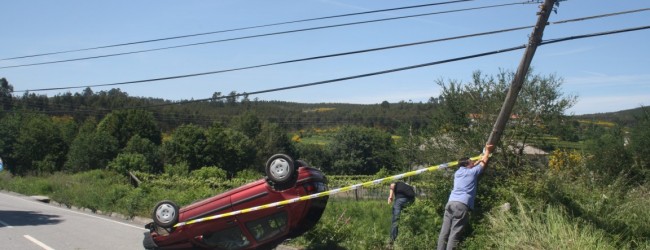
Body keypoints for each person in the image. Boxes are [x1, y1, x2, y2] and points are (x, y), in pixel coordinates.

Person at [437, 144, 494, 250]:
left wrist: (478, 159)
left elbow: (474, 165)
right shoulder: (472, 173)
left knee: (444, 232)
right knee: (454, 234)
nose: (473, 162)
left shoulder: (458, 172)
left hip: (450, 203)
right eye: (471, 161)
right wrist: (488, 151)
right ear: (468, 165)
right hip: (461, 204)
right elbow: (484, 162)